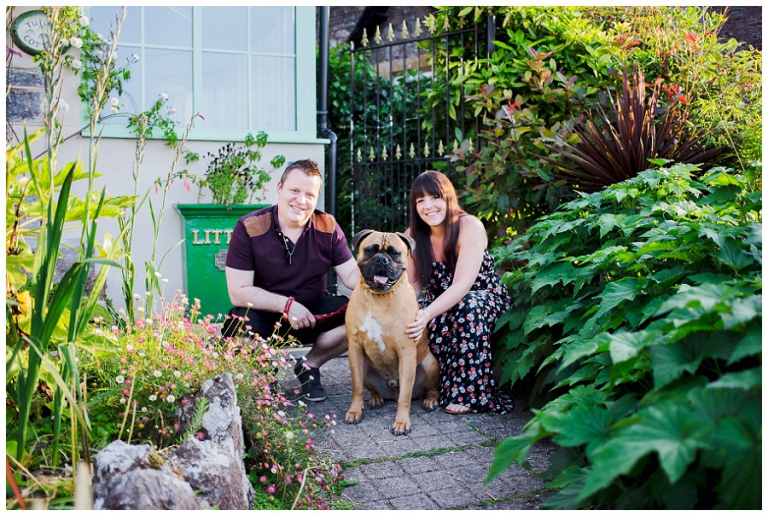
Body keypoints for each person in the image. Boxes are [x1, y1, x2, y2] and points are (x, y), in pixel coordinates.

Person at [222, 159, 359, 402]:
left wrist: (386, 278)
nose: (301, 200)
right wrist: (286, 305)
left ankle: (309, 366)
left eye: (309, 194)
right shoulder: (249, 227)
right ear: (280, 188)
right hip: (265, 315)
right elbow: (238, 292)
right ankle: (264, 375)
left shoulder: (327, 226)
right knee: (239, 324)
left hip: (312, 314)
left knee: (360, 316)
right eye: (294, 191)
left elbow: (351, 277)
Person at [404, 170, 513, 414]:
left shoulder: (469, 226)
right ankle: (429, 385)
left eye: (434, 197)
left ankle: (470, 395)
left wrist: (427, 313)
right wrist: (410, 312)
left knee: (466, 308)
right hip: (442, 302)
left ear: (448, 198)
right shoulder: (413, 235)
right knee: (419, 319)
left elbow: (462, 286)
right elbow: (413, 285)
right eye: (420, 200)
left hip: (482, 298)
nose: (428, 206)